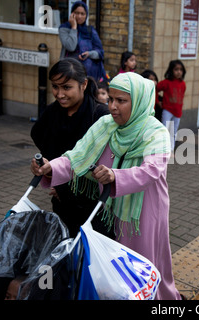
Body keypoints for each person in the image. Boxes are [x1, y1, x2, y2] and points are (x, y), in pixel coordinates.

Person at [30, 72, 182, 300]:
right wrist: (50, 167)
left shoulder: (156, 132)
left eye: (121, 101)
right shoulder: (105, 125)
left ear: (139, 100)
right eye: (111, 99)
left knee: (142, 265)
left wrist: (115, 176)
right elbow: (77, 156)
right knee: (115, 268)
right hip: (109, 209)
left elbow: (151, 171)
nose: (112, 106)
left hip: (144, 213)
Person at [31, 58, 110, 237]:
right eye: (55, 87)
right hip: (62, 202)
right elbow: (41, 139)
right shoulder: (52, 112)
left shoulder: (100, 116)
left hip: (96, 205)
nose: (60, 94)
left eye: (66, 87)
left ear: (83, 84)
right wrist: (48, 170)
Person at [58, 1, 106, 82]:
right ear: (72, 14)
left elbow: (100, 52)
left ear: (86, 15)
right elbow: (71, 46)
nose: (79, 16)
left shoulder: (90, 30)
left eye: (82, 14)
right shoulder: (64, 29)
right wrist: (74, 27)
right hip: (70, 72)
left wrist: (89, 54)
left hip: (89, 75)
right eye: (77, 13)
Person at [156, 60, 186, 151]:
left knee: (173, 132)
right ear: (171, 70)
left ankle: (171, 149)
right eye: (176, 69)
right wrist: (157, 101)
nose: (179, 72)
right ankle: (162, 149)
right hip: (167, 110)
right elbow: (155, 89)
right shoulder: (166, 82)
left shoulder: (183, 84)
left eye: (181, 70)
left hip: (177, 112)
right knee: (164, 129)